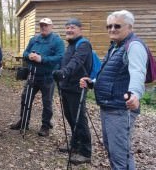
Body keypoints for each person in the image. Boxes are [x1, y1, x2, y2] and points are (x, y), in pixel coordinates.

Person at [80, 10, 147, 170]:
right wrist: (93, 83)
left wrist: (135, 93)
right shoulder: (116, 47)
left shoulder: (134, 46)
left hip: (120, 109)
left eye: (117, 25)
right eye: (108, 26)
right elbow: (110, 74)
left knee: (120, 156)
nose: (112, 29)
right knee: (114, 150)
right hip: (109, 107)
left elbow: (138, 72)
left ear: (129, 27)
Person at [10, 17, 65, 137]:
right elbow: (25, 53)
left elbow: (60, 57)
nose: (43, 27)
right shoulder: (34, 39)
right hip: (32, 75)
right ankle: (23, 121)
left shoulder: (57, 41)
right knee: (25, 98)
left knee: (47, 102)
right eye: (41, 25)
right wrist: (28, 56)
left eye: (46, 25)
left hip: (47, 77)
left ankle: (45, 126)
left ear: (51, 27)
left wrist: (42, 59)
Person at [52, 18, 92, 164]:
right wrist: (58, 71)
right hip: (66, 87)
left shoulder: (84, 45)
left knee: (79, 119)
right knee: (70, 117)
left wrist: (64, 73)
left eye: (72, 27)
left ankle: (86, 152)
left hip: (77, 87)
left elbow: (76, 62)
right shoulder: (70, 45)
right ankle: (75, 145)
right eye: (67, 27)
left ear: (80, 29)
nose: (69, 30)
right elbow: (65, 62)